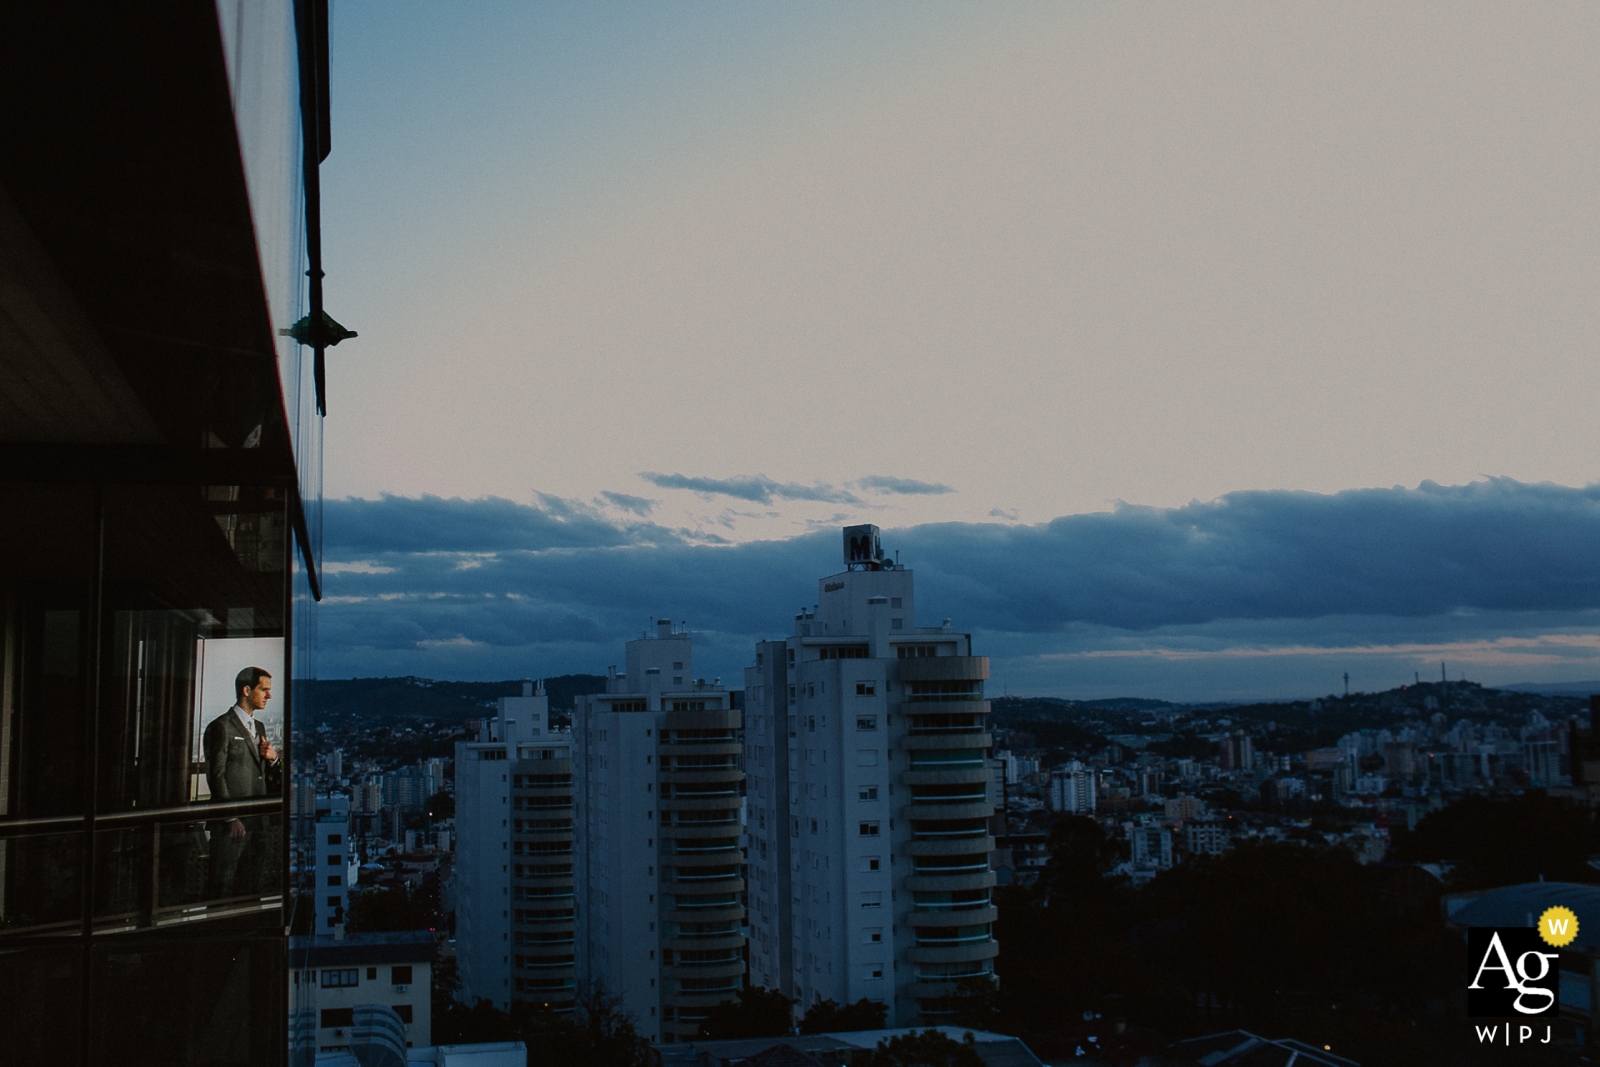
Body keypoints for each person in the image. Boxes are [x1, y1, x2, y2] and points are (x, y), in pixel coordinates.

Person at [204, 665, 282, 897]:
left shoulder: (259, 727)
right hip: (232, 826)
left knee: (251, 886)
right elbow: (215, 775)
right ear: (247, 690)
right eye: (264, 690)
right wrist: (231, 817)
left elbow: (263, 773)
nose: (269, 695)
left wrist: (274, 758)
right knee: (222, 886)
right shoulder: (221, 727)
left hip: (258, 824)